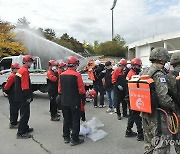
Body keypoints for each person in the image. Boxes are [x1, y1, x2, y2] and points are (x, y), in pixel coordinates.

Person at [141, 47, 176, 153]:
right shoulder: (159, 74)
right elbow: (163, 97)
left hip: (145, 111)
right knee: (162, 144)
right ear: (163, 59)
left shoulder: (145, 71)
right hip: (158, 115)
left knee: (149, 144)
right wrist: (174, 106)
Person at [59, 56, 85, 146]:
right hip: (74, 101)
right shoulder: (77, 75)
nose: (77, 67)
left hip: (64, 101)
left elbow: (59, 90)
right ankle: (75, 139)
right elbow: (81, 90)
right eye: (77, 65)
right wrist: (83, 99)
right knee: (75, 120)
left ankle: (66, 137)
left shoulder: (61, 75)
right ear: (74, 65)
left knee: (66, 119)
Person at [14, 55, 34, 139]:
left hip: (19, 95)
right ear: (26, 62)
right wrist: (28, 97)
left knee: (23, 113)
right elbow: (25, 86)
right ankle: (21, 133)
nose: (31, 64)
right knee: (25, 114)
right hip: (23, 96)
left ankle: (25, 128)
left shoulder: (21, 70)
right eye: (30, 62)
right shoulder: (25, 71)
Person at [125, 58, 144, 141]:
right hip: (132, 97)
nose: (140, 67)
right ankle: (140, 133)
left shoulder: (133, 73)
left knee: (132, 115)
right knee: (136, 115)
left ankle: (128, 131)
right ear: (134, 65)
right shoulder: (132, 74)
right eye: (139, 65)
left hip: (131, 97)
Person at [166, 51, 180, 154]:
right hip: (176, 110)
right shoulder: (174, 77)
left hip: (173, 111)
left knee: (176, 136)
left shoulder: (167, 76)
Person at [4, 63, 20, 129]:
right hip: (12, 95)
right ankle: (13, 123)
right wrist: (6, 92)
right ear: (13, 69)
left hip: (15, 94)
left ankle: (15, 121)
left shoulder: (16, 75)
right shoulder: (12, 76)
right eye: (17, 69)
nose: (18, 70)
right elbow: (7, 86)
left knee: (16, 108)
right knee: (14, 108)